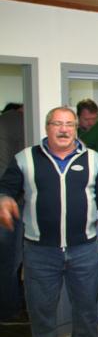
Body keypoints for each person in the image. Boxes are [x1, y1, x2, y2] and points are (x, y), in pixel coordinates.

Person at [0, 106, 98, 337]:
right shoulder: (26, 159)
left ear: (76, 128)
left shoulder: (92, 159)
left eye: (69, 124)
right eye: (58, 124)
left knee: (86, 307)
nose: (64, 129)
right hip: (40, 251)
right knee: (42, 310)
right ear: (48, 127)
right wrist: (4, 197)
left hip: (85, 249)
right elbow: (6, 187)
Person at [0, 104, 26, 324]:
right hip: (10, 203)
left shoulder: (6, 121)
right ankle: (9, 310)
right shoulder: (16, 123)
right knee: (9, 259)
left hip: (8, 198)